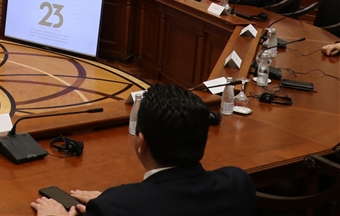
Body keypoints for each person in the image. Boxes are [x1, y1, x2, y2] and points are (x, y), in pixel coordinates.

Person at [30, 84, 256, 216]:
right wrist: (116, 200)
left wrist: (115, 203)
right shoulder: (238, 183)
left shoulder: (113, 209)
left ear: (142, 142)